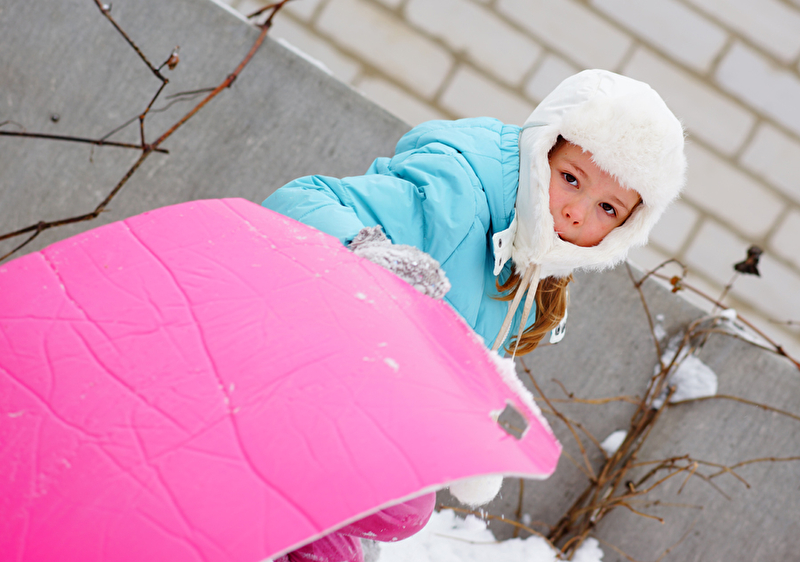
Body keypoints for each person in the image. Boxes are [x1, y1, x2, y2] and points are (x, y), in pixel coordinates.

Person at [264, 69, 687, 562]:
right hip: (295, 369)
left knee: (400, 513)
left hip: (364, 405)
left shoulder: (532, 272)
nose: (577, 212)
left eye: (608, 209)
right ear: (542, 152)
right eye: (571, 179)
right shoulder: (457, 195)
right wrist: (366, 254)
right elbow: (298, 202)